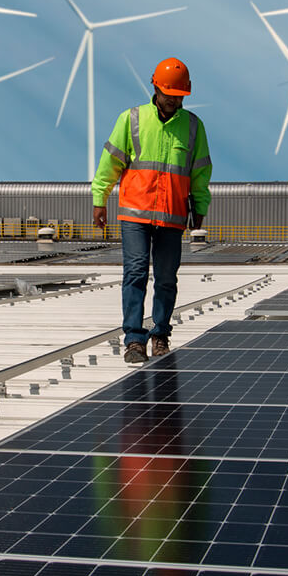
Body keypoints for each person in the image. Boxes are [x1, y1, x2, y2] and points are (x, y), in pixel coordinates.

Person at [91, 57, 212, 364]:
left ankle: (160, 335)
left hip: (172, 216)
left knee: (167, 278)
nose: (173, 99)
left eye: (179, 95)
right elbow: (111, 163)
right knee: (135, 274)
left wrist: (200, 206)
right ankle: (133, 339)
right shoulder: (131, 119)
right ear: (155, 87)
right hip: (135, 213)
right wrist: (99, 198)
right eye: (168, 93)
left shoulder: (194, 127)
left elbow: (200, 173)